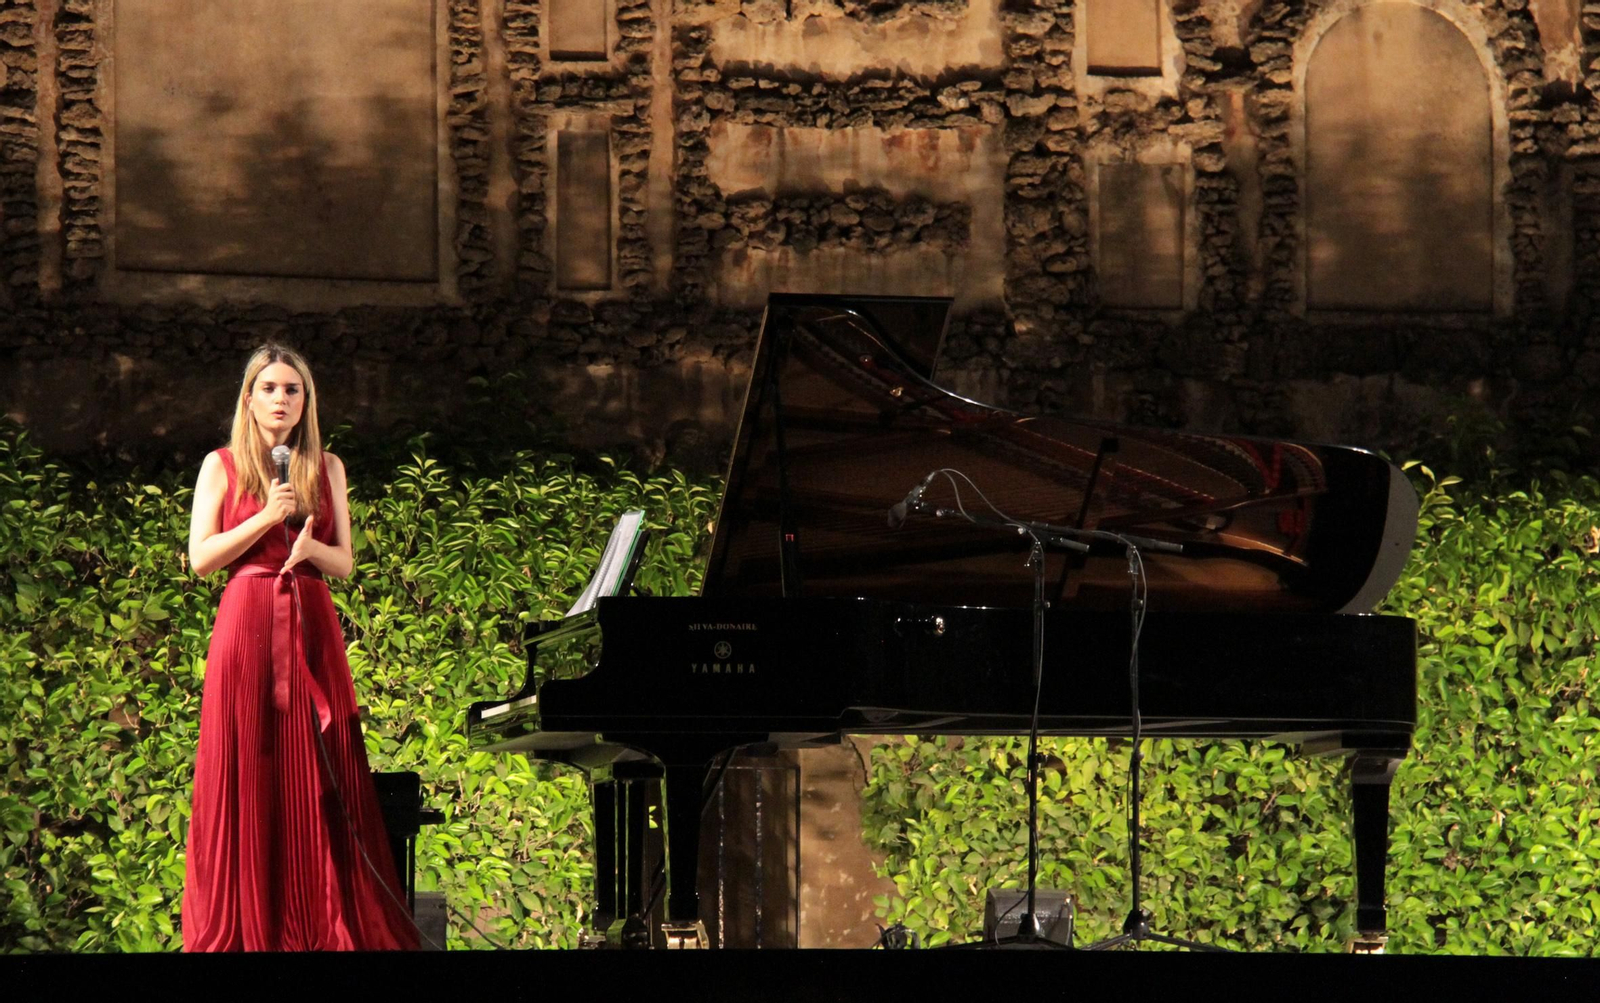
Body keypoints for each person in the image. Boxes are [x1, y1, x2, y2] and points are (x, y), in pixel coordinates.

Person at [181, 344, 418, 951]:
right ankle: (246, 925)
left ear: (306, 401)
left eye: (292, 389)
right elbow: (202, 560)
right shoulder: (222, 465)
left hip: (311, 623)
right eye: (269, 388)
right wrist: (266, 518)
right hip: (247, 623)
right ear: (249, 398)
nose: (281, 399)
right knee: (248, 765)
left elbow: (344, 564)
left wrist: (312, 550)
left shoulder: (328, 466)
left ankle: (322, 922)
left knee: (321, 767)